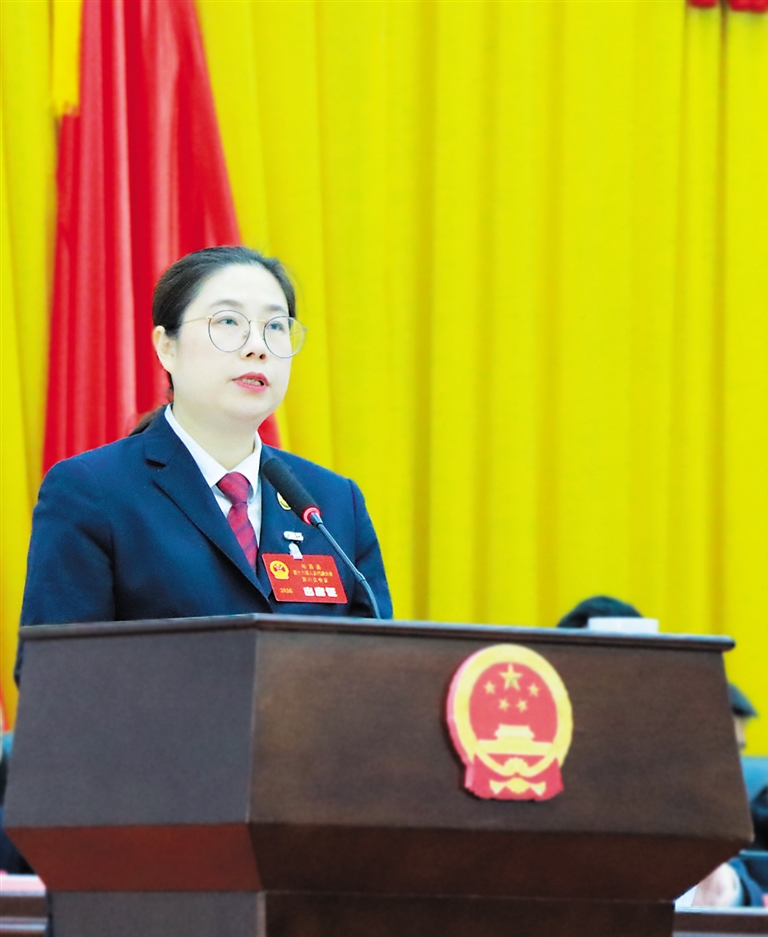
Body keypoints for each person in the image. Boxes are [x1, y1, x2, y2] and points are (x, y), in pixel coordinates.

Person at [19, 246, 392, 648]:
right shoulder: (93, 491)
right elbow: (58, 670)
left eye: (275, 326)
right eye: (228, 321)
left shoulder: (333, 504)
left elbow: (377, 664)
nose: (257, 346)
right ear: (167, 347)